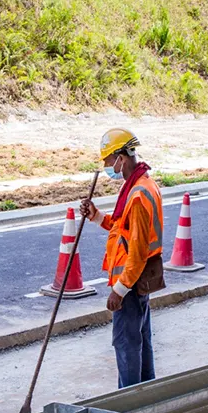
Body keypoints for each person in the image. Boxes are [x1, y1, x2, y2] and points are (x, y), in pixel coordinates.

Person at [80, 128, 166, 388]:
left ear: (121, 158)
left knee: (127, 345)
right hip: (137, 282)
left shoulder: (138, 196)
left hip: (130, 284)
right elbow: (123, 229)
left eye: (108, 162)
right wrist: (96, 216)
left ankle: (129, 403)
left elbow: (137, 251)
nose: (108, 168)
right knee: (140, 341)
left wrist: (119, 290)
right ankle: (145, 395)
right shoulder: (140, 185)